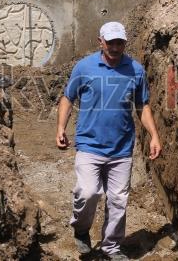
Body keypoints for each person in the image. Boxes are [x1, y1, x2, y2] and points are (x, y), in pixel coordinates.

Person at [55, 21, 162, 260]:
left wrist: (154, 135)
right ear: (100, 41)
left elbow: (142, 106)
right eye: (110, 42)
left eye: (119, 42)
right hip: (89, 144)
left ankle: (111, 247)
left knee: (118, 200)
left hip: (121, 148)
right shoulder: (84, 67)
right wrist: (61, 128)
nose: (115, 47)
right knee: (88, 192)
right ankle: (81, 230)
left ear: (125, 42)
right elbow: (67, 98)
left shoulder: (135, 70)